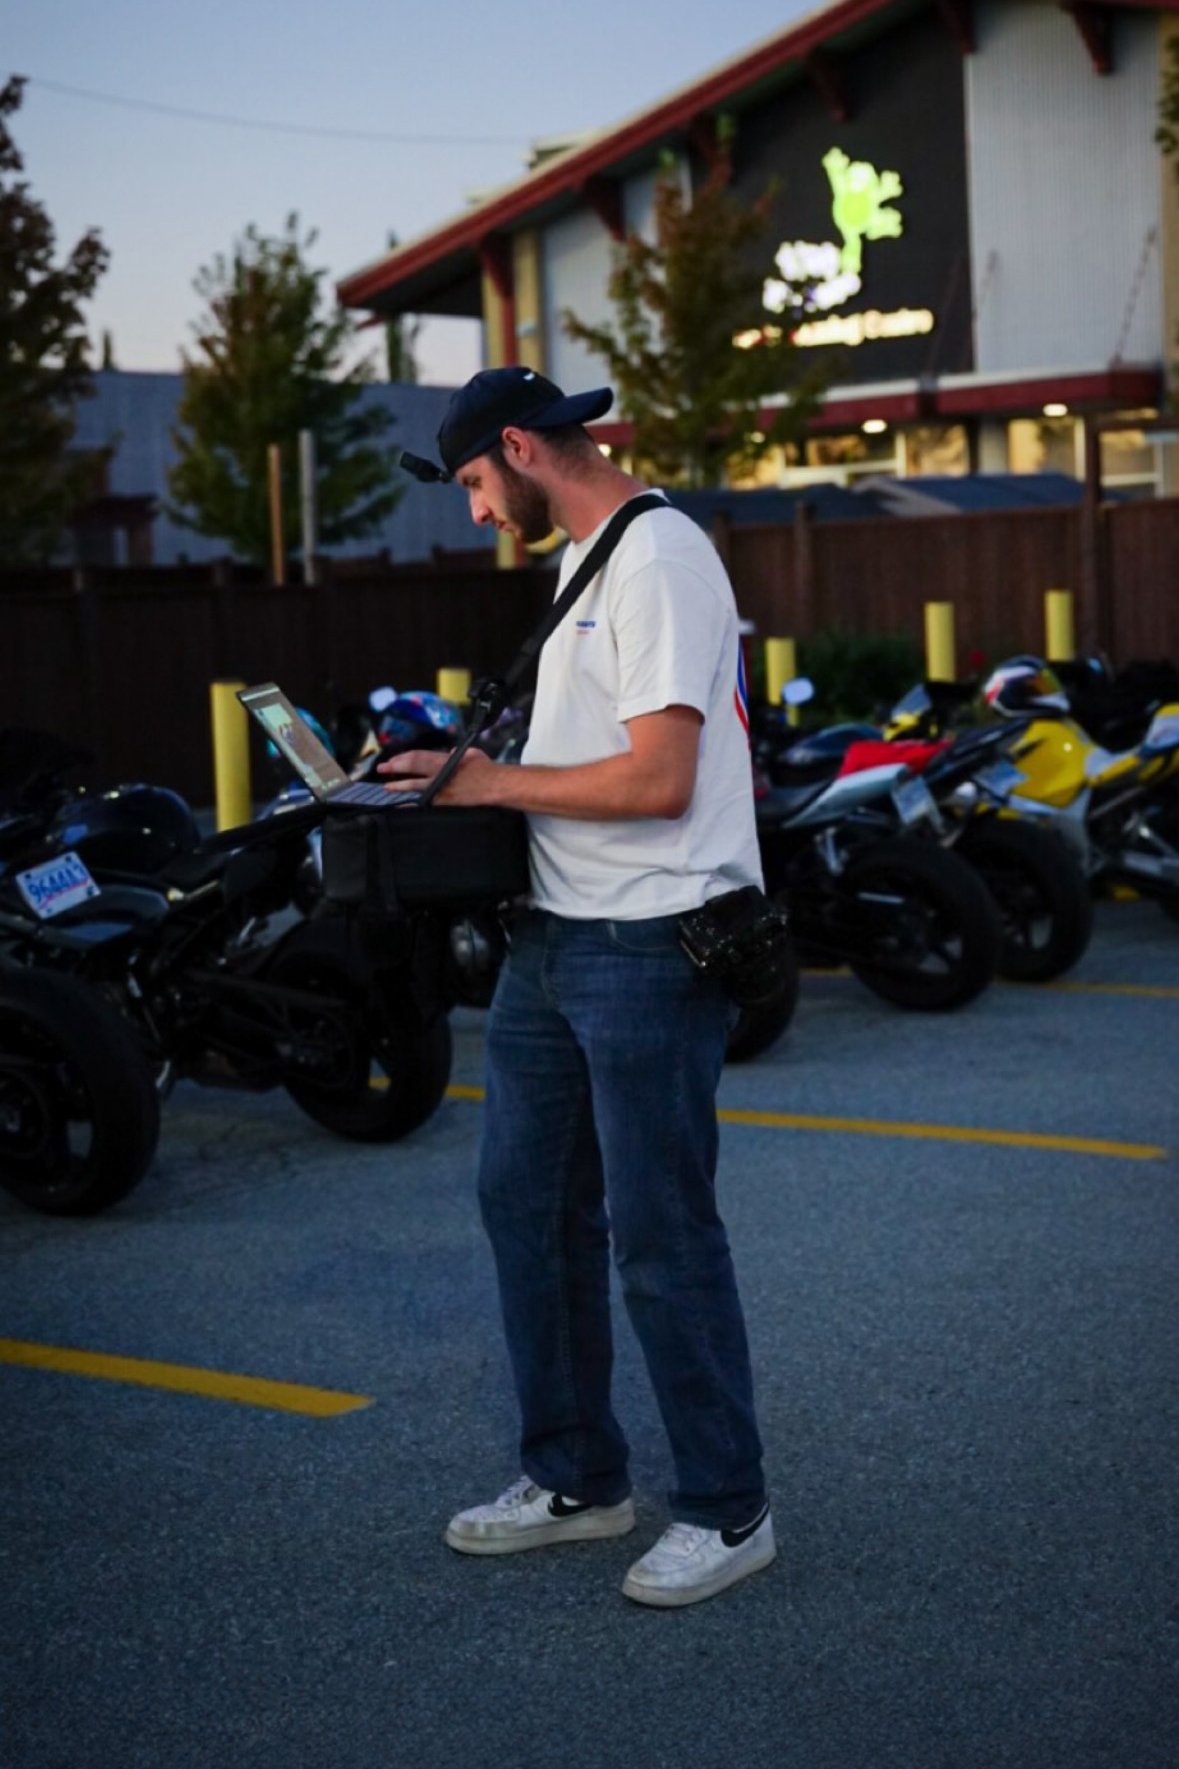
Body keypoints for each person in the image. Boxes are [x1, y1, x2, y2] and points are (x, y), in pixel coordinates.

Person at [381, 366, 773, 1608]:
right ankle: (577, 1479)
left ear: (519, 447)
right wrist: (475, 763)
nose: (480, 514)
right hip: (555, 936)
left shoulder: (657, 559)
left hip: (650, 944)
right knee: (529, 1210)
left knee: (660, 1233)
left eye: (477, 486)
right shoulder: (585, 559)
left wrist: (488, 786)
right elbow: (588, 750)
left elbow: (660, 778)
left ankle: (727, 1506)